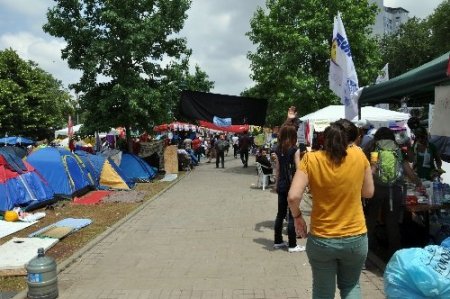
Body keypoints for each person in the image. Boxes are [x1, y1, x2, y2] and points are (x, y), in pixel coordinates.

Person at [288, 123, 374, 298]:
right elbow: (368, 192)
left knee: (323, 291)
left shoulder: (311, 159)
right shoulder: (359, 155)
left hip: (322, 239)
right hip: (355, 238)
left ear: (324, 139)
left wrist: (298, 217)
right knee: (351, 286)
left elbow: (293, 197)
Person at [363, 127, 421, 259]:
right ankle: (394, 256)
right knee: (392, 224)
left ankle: (366, 254)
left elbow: (372, 169)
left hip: (375, 190)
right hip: (394, 191)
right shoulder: (397, 149)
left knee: (371, 221)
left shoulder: (374, 148)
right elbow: (408, 168)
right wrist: (418, 182)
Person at [273, 125, 304, 253]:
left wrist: (276, 183)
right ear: (292, 136)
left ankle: (278, 241)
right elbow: (298, 168)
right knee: (292, 215)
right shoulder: (294, 150)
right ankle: (292, 244)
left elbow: (278, 168)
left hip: (281, 184)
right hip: (292, 185)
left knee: (280, 214)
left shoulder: (278, 149)